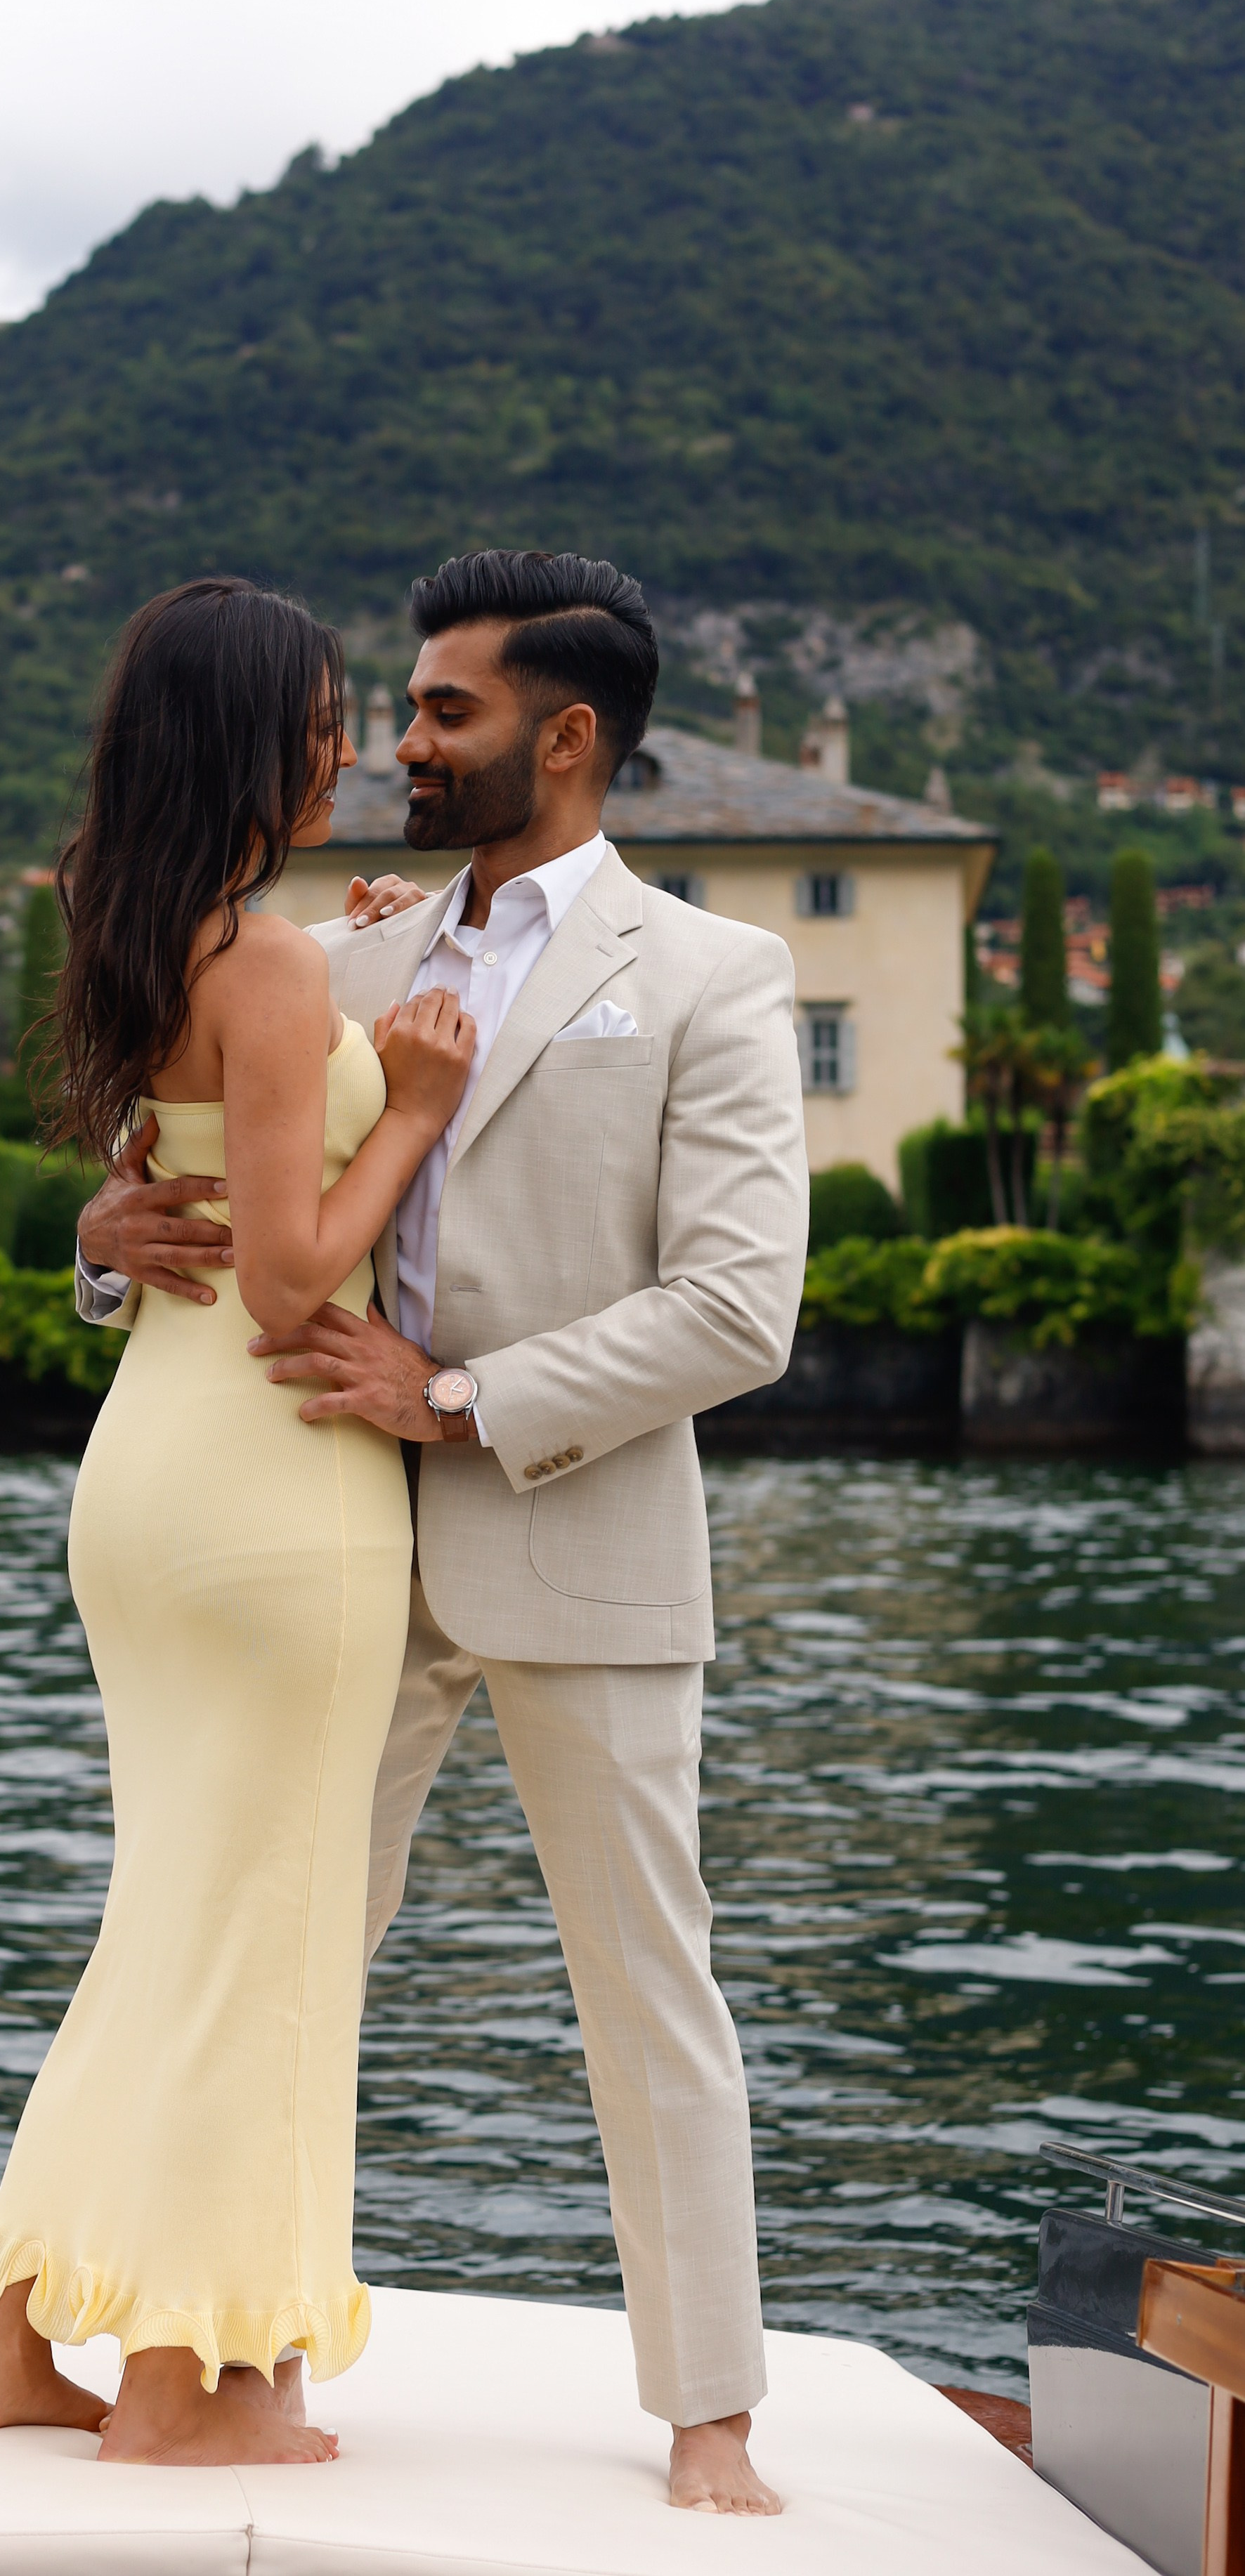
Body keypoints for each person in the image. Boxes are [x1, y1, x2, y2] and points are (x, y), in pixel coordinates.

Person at [75, 548, 809, 2515]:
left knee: (648, 1992)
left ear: (564, 740)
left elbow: (739, 1311)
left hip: (577, 1540)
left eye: (442, 712)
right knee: (273, 1954)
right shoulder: (340, 955)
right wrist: (96, 1245)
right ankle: (214, 2344)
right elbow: (195, 1179)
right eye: (397, 708)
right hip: (321, 1544)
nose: (398, 741)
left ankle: (711, 2421)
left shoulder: (714, 975)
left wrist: (462, 1398)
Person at [0, 577, 475, 2466]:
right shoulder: (271, 968)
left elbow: (176, 1180)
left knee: (174, 1911)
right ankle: (190, 2385)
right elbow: (291, 1282)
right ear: (245, 739)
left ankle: (5, 2342)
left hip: (148, 1477)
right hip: (274, 1477)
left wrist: (351, 970)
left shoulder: (145, 931)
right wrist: (409, 1108)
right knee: (266, 1929)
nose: (349, 750)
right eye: (320, 722)